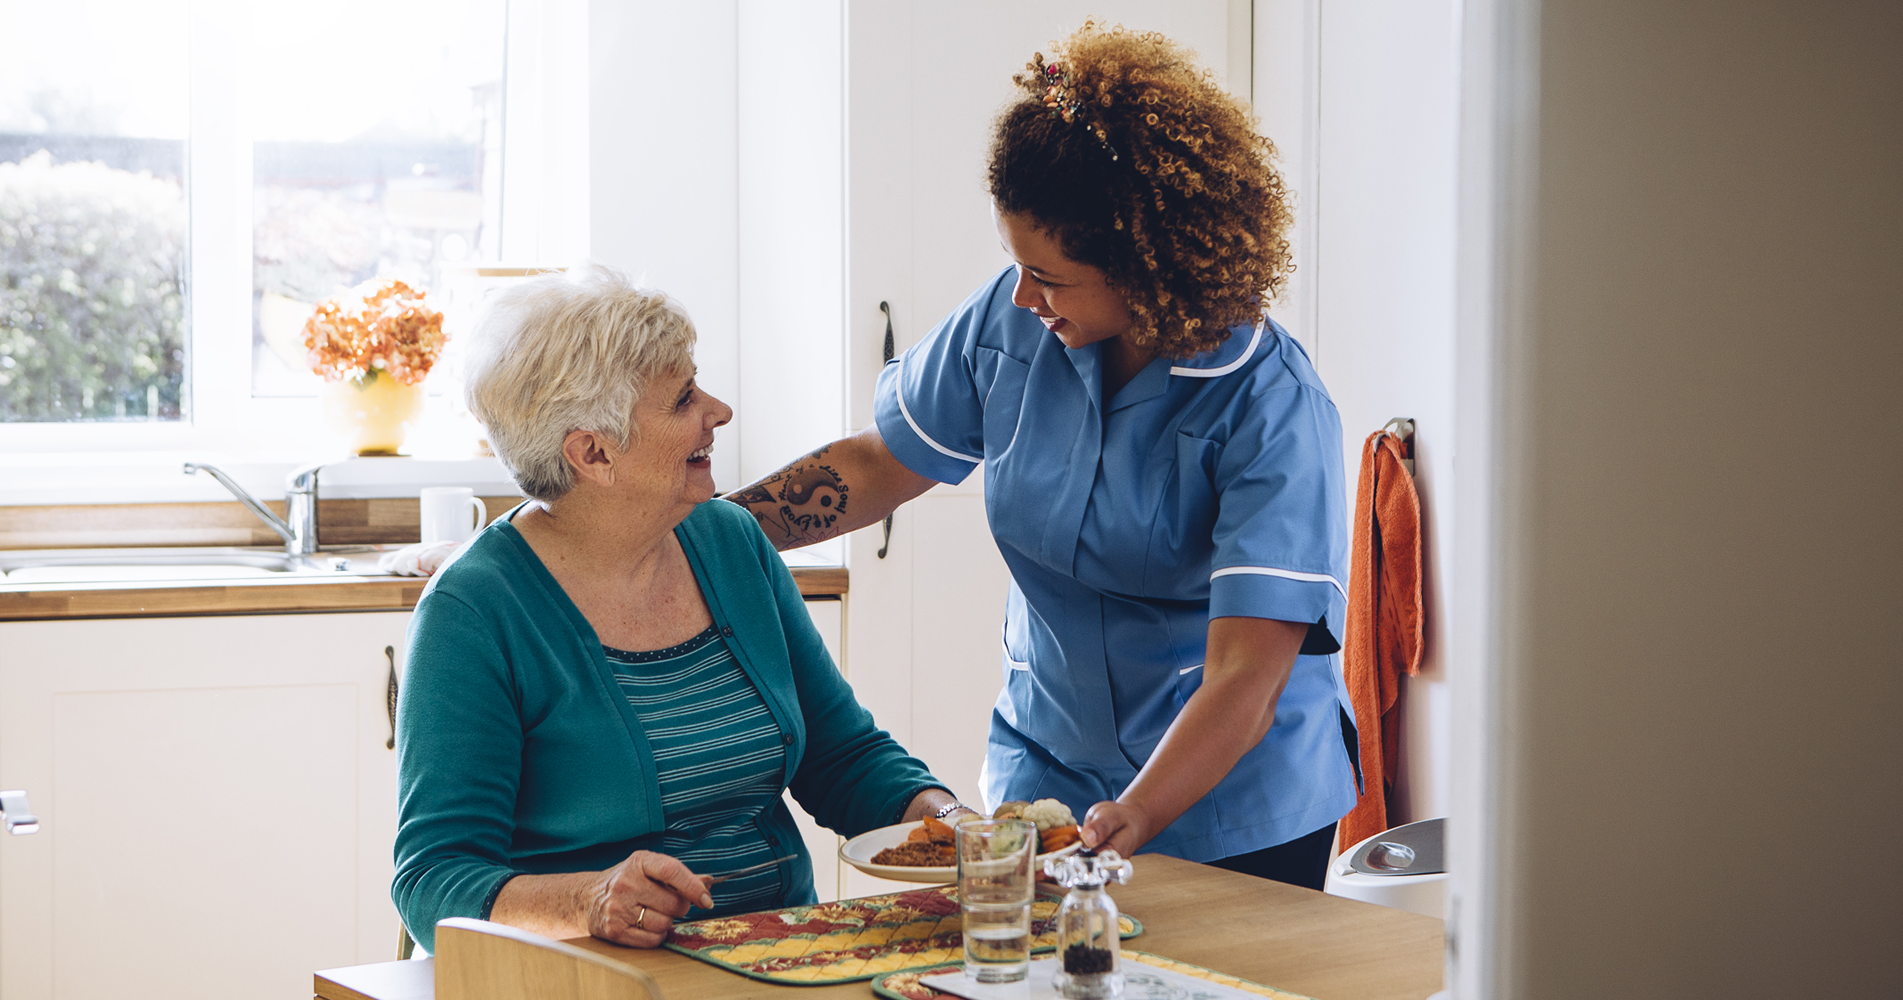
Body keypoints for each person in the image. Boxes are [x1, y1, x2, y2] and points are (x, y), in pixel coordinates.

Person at [727, 23, 1358, 890]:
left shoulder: (1270, 405)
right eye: (1014, 264)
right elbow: (877, 466)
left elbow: (1247, 674)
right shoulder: (1014, 318)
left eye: (1051, 277)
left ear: (1146, 265)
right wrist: (708, 531)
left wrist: (1138, 812)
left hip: (1230, 805)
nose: (1024, 294)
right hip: (1048, 775)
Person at [392, 265, 963, 951]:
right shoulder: (475, 610)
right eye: (684, 398)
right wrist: (591, 899)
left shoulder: (730, 542)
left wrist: (952, 821)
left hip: (777, 955)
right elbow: (434, 878)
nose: (717, 412)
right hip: (594, 979)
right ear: (594, 452)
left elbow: (841, 756)